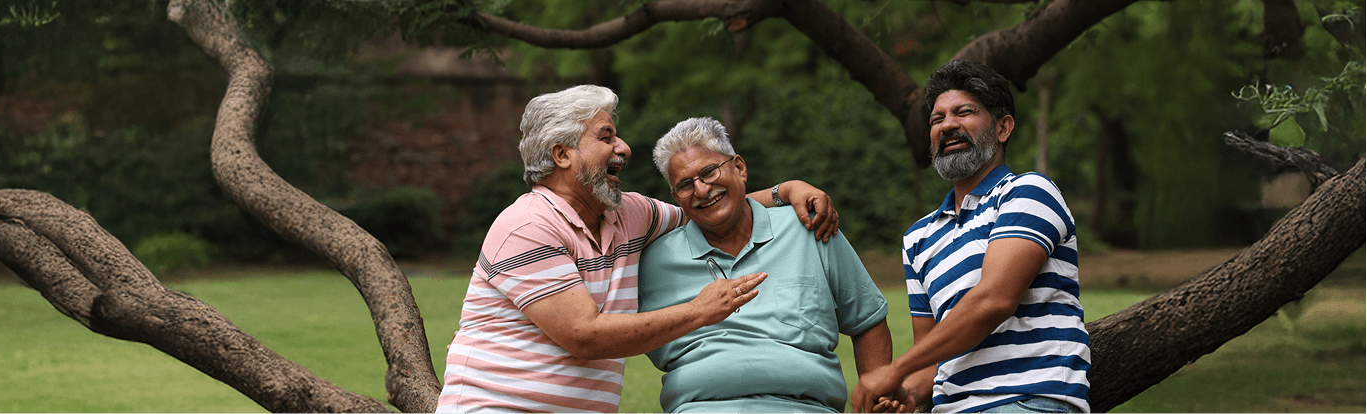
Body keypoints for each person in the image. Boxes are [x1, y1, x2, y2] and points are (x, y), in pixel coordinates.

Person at [436, 85, 841, 413]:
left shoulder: (628, 213)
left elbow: (706, 205)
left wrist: (785, 191)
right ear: (562, 155)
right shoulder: (526, 226)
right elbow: (584, 336)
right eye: (605, 136)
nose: (625, 148)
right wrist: (699, 311)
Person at [852, 60, 1091, 414]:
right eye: (937, 119)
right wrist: (904, 393)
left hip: (1027, 400)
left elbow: (993, 300)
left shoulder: (1028, 192)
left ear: (1003, 128)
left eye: (964, 112)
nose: (948, 125)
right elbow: (932, 355)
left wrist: (893, 369)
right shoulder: (919, 238)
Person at [636, 117, 894, 413]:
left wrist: (877, 398)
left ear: (739, 168)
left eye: (709, 172)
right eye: (685, 185)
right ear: (675, 197)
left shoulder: (807, 228)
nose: (702, 190)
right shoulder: (654, 259)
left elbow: (867, 320)